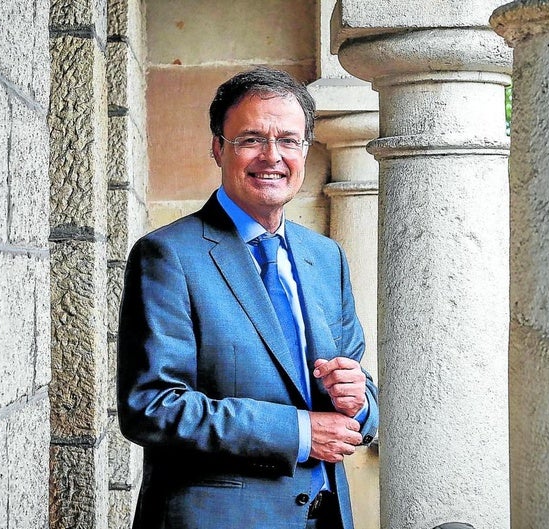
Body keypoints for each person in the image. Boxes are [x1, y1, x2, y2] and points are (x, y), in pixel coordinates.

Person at [117, 67, 379, 529]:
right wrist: (299, 433)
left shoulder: (326, 257)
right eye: (252, 139)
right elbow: (152, 406)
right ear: (219, 147)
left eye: (289, 140)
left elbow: (361, 390)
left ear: (305, 149)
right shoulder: (168, 255)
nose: (272, 156)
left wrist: (358, 401)